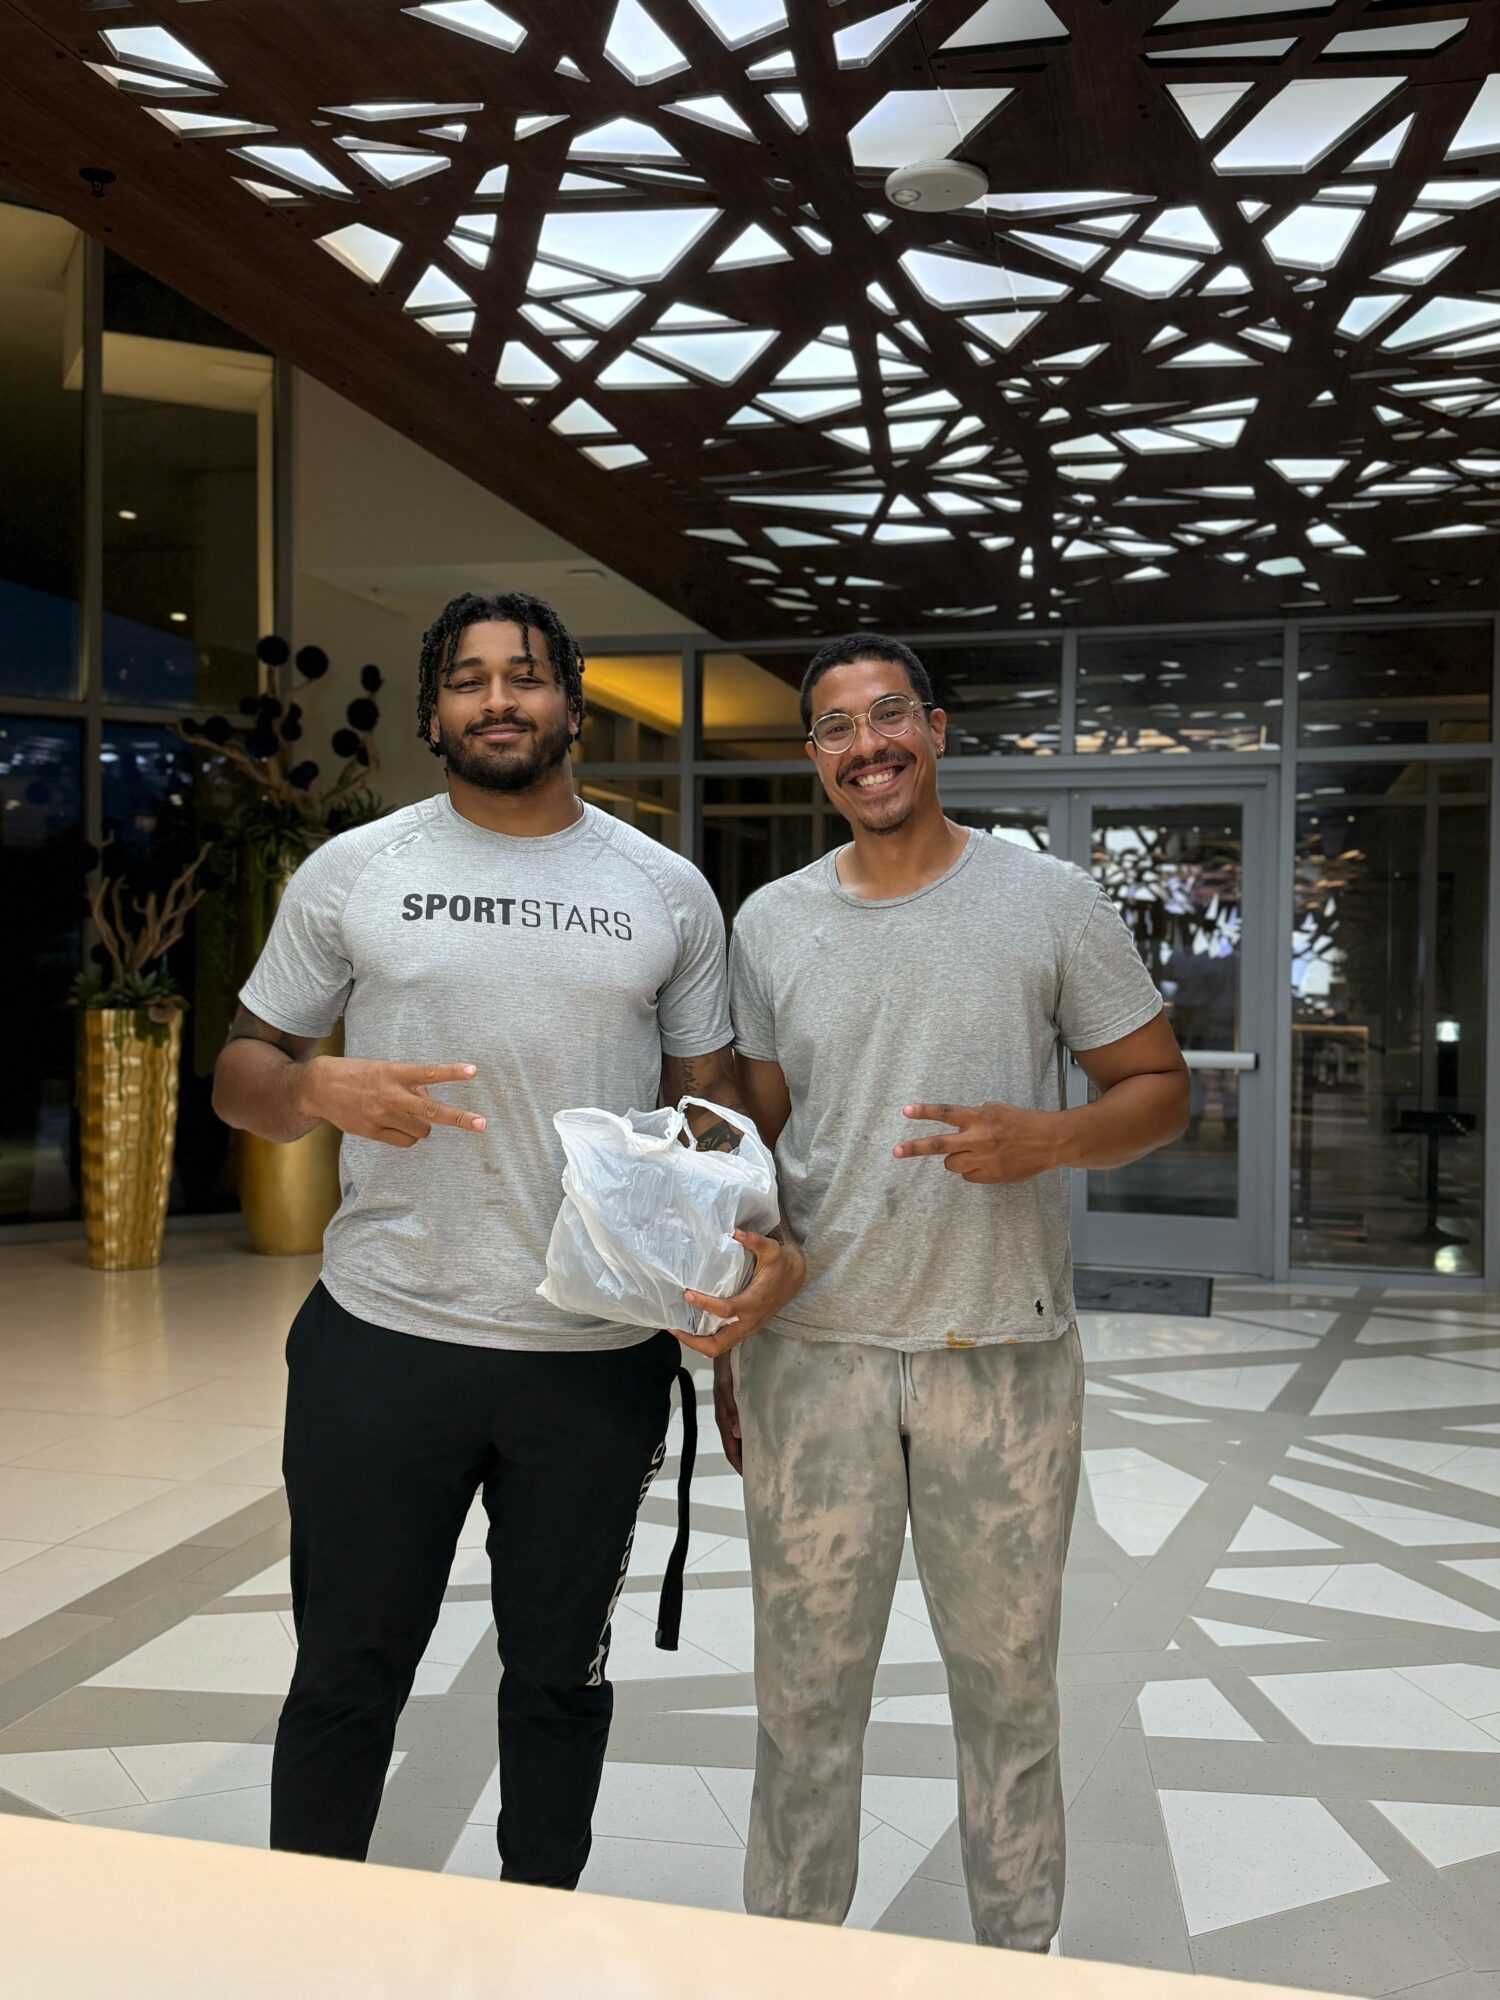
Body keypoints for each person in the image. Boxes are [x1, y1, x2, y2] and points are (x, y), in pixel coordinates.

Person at [213, 589, 801, 1888]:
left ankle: (537, 1933)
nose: (498, 699)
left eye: (525, 676)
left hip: (593, 1358)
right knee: (345, 1675)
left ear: (572, 708)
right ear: (435, 713)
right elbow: (241, 1074)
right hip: (383, 1342)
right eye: (469, 678)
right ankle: (300, 1938)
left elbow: (710, 1112)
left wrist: (743, 1285)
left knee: (556, 1682)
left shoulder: (664, 888)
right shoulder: (355, 871)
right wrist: (311, 1087)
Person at [716, 633, 1188, 1952]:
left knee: (1009, 1702)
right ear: (814, 757)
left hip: (1004, 1360)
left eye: (889, 716)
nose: (866, 746)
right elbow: (760, 1145)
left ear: (935, 729)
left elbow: (1160, 1089)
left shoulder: (1050, 902)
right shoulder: (773, 923)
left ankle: (1016, 1964)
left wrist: (1053, 1139)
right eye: (836, 727)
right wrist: (730, 1345)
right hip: (814, 1361)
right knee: (802, 1706)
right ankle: (787, 1965)